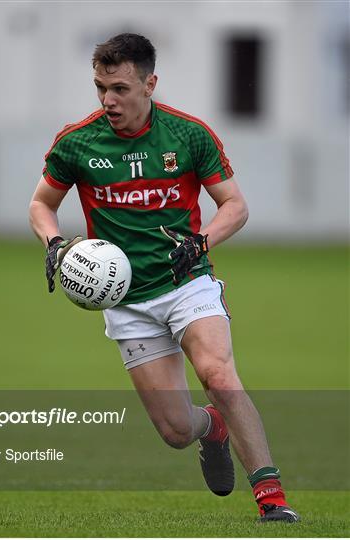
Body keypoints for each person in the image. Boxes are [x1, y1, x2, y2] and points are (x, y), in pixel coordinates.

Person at [29, 33, 299, 522]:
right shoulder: (78, 142)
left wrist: (202, 242)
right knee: (176, 431)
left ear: (150, 83)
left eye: (119, 89)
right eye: (100, 88)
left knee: (218, 375)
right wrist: (53, 243)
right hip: (126, 300)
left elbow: (234, 206)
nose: (108, 99)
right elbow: (41, 205)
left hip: (187, 280)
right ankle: (211, 427)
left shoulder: (188, 135)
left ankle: (272, 499)